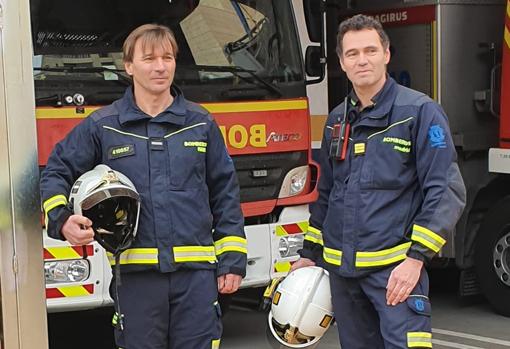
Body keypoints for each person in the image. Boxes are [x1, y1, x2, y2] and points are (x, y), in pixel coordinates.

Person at [40, 24, 247, 349]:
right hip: (136, 280)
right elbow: (55, 171)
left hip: (195, 278)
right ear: (129, 66)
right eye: (149, 58)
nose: (160, 66)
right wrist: (62, 219)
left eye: (167, 57)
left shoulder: (200, 124)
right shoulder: (104, 126)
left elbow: (225, 193)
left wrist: (233, 260)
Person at [292, 15, 466, 349]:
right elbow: (326, 196)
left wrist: (415, 259)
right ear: (342, 63)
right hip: (344, 278)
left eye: (370, 50)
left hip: (395, 274)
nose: (362, 60)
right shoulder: (336, 121)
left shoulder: (419, 112)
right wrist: (310, 254)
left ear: (386, 54)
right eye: (353, 53)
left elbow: (445, 190)